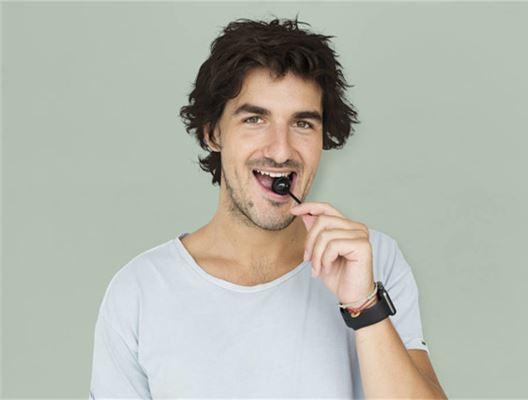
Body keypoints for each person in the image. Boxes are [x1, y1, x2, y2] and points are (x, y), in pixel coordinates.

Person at [89, 16, 447, 399]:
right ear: (213, 133)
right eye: (255, 119)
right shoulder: (139, 291)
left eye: (303, 124)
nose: (280, 150)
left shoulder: (374, 261)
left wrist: (364, 304)